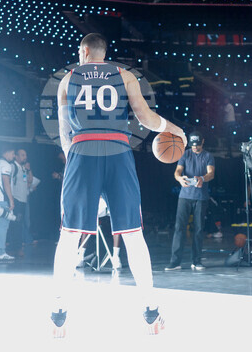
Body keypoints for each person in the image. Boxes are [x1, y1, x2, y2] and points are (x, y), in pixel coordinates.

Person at [51, 33, 186, 336]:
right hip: (117, 151)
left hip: (82, 150)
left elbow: (63, 132)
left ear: (84, 51)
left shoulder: (67, 79)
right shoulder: (124, 75)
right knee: (133, 234)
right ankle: (151, 312)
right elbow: (145, 117)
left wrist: (74, 161)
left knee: (70, 234)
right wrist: (174, 129)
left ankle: (58, 313)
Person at [165, 132, 215, 271]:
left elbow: (211, 173)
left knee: (198, 230)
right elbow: (177, 171)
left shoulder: (208, 156)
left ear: (202, 142)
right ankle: (175, 262)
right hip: (184, 196)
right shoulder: (185, 154)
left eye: (197, 146)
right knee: (179, 228)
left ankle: (197, 261)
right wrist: (180, 179)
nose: (195, 148)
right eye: (193, 146)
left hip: (201, 197)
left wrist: (202, 179)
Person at [0, 146, 17, 261]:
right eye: (13, 153)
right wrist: (11, 199)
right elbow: (6, 183)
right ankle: (1, 252)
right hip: (3, 199)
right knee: (3, 227)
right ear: (7, 152)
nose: (13, 156)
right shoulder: (6, 165)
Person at [8, 148, 34, 256]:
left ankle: (16, 247)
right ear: (16, 156)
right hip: (16, 200)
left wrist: (29, 170)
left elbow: (29, 181)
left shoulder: (23, 168)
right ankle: (16, 248)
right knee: (16, 225)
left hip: (23, 200)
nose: (25, 157)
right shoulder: (13, 167)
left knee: (20, 224)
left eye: (25, 155)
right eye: (22, 155)